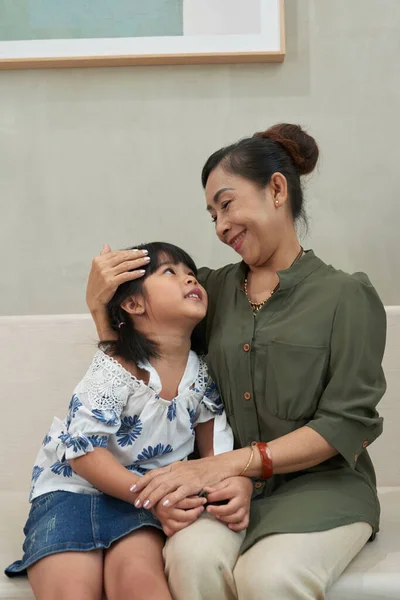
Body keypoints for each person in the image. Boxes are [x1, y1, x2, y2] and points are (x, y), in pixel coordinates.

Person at [85, 124, 387, 600]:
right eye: (212, 216)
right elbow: (140, 368)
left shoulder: (345, 296)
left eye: (226, 205)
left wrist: (232, 465)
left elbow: (345, 423)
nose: (221, 226)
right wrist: (100, 304)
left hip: (323, 490)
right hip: (226, 491)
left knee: (267, 579)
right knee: (190, 558)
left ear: (277, 189)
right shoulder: (210, 291)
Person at [6, 242, 252, 600]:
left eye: (191, 274)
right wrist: (154, 499)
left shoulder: (201, 377)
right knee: (71, 590)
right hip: (72, 493)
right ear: (134, 304)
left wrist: (222, 487)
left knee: (140, 583)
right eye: (170, 272)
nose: (188, 279)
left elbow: (214, 446)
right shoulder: (114, 370)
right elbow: (84, 453)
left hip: (136, 503)